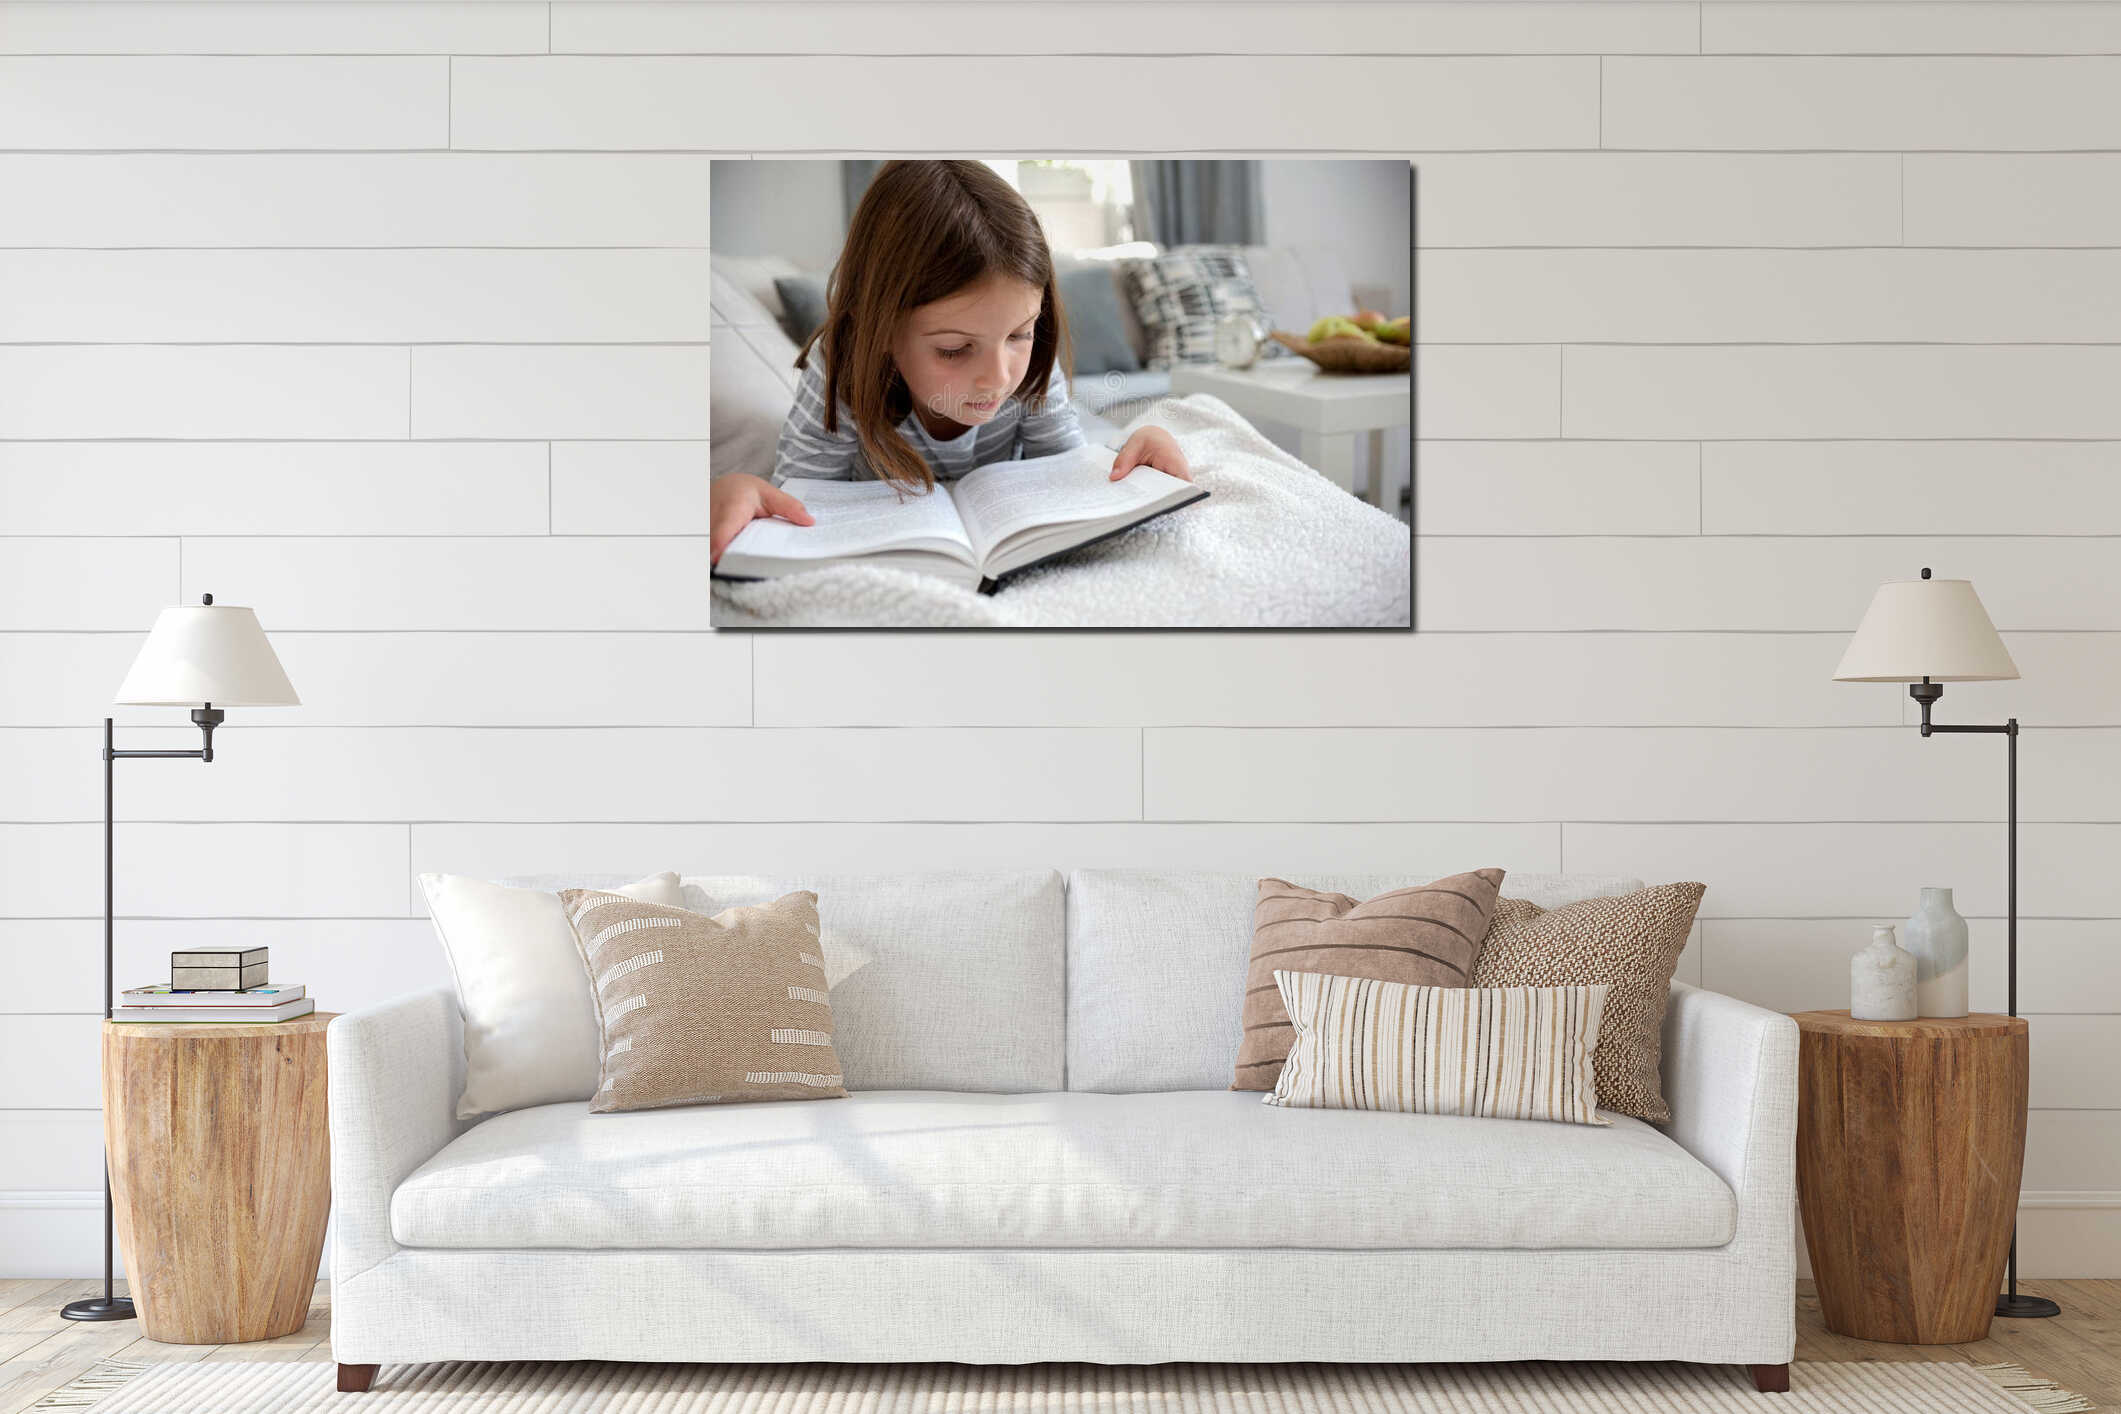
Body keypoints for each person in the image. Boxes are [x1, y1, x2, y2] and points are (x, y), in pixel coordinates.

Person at [710, 160, 1191, 565]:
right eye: (955, 349)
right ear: (881, 330)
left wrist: (1126, 459)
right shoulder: (842, 366)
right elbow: (799, 504)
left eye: (1019, 334)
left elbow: (1065, 472)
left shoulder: (1031, 367)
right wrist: (742, 492)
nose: (998, 378)